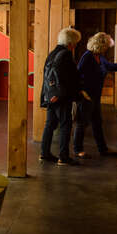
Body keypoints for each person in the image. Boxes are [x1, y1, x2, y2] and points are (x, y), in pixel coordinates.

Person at [73, 32, 117, 158]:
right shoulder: (87, 57)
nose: (108, 48)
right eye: (106, 46)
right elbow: (77, 75)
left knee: (97, 122)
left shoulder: (99, 56)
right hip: (86, 96)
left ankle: (103, 149)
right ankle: (77, 150)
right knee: (82, 123)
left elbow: (109, 66)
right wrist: (82, 92)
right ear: (101, 45)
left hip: (96, 96)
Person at [40, 27, 86, 166]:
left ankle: (44, 153)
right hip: (61, 97)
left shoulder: (53, 53)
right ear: (70, 42)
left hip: (50, 95)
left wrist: (51, 95)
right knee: (65, 125)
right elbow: (67, 78)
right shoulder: (66, 54)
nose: (76, 45)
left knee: (50, 124)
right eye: (76, 43)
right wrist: (73, 94)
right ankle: (63, 157)